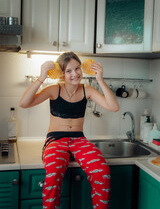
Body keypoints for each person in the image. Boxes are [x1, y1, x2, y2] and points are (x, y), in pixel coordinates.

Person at [19, 51, 119, 209]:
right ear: (61, 73)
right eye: (69, 71)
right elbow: (24, 103)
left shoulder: (87, 90)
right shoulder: (54, 89)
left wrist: (100, 79)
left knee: (102, 172)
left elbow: (114, 107)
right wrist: (41, 78)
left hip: (79, 140)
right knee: (53, 174)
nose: (75, 74)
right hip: (55, 140)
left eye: (77, 68)